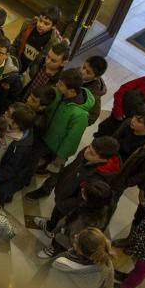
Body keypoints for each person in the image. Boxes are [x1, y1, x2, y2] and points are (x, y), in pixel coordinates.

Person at [25, 69, 95, 200]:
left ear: (72, 91)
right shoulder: (58, 94)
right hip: (45, 136)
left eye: (61, 85)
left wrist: (62, 155)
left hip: (59, 147)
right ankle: (26, 178)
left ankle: (45, 189)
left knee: (55, 171)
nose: (57, 85)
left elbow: (72, 138)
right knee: (33, 159)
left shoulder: (80, 114)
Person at [34, 136, 121, 239]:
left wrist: (64, 203)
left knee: (62, 218)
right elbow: (73, 166)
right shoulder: (88, 154)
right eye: (89, 147)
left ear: (103, 159)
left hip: (70, 203)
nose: (86, 152)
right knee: (57, 212)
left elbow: (82, 199)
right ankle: (51, 225)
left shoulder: (98, 179)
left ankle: (52, 231)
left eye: (92, 153)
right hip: (64, 191)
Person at [38, 179, 113, 260]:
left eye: (85, 192)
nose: (82, 189)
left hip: (65, 241)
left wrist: (59, 235)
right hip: (66, 229)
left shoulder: (86, 223)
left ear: (92, 201)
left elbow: (72, 241)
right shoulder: (99, 208)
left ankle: (54, 250)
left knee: (59, 247)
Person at [0, 103, 37, 205]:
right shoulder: (12, 126)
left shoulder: (20, 148)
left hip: (5, 179)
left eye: (9, 115)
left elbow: (11, 169)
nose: (5, 113)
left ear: (17, 124)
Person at [46, 228, 115, 288]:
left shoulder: (61, 263)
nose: (75, 235)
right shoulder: (106, 262)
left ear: (80, 251)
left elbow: (44, 278)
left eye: (77, 239)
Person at [12, 6, 65, 83]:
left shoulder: (53, 42)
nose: (41, 25)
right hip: (17, 62)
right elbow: (16, 43)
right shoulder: (27, 25)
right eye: (40, 20)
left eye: (46, 24)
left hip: (31, 72)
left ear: (53, 26)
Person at [80, 55, 109, 126]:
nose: (82, 72)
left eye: (88, 72)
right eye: (83, 67)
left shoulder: (93, 95)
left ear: (96, 77)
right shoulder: (77, 72)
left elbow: (93, 116)